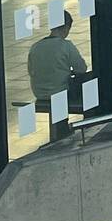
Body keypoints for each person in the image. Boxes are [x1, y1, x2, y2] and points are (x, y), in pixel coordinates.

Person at [27, 11, 88, 141]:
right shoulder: (66, 46)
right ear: (66, 28)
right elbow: (82, 68)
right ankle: (80, 128)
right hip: (60, 93)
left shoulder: (35, 47)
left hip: (39, 92)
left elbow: (31, 70)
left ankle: (59, 132)